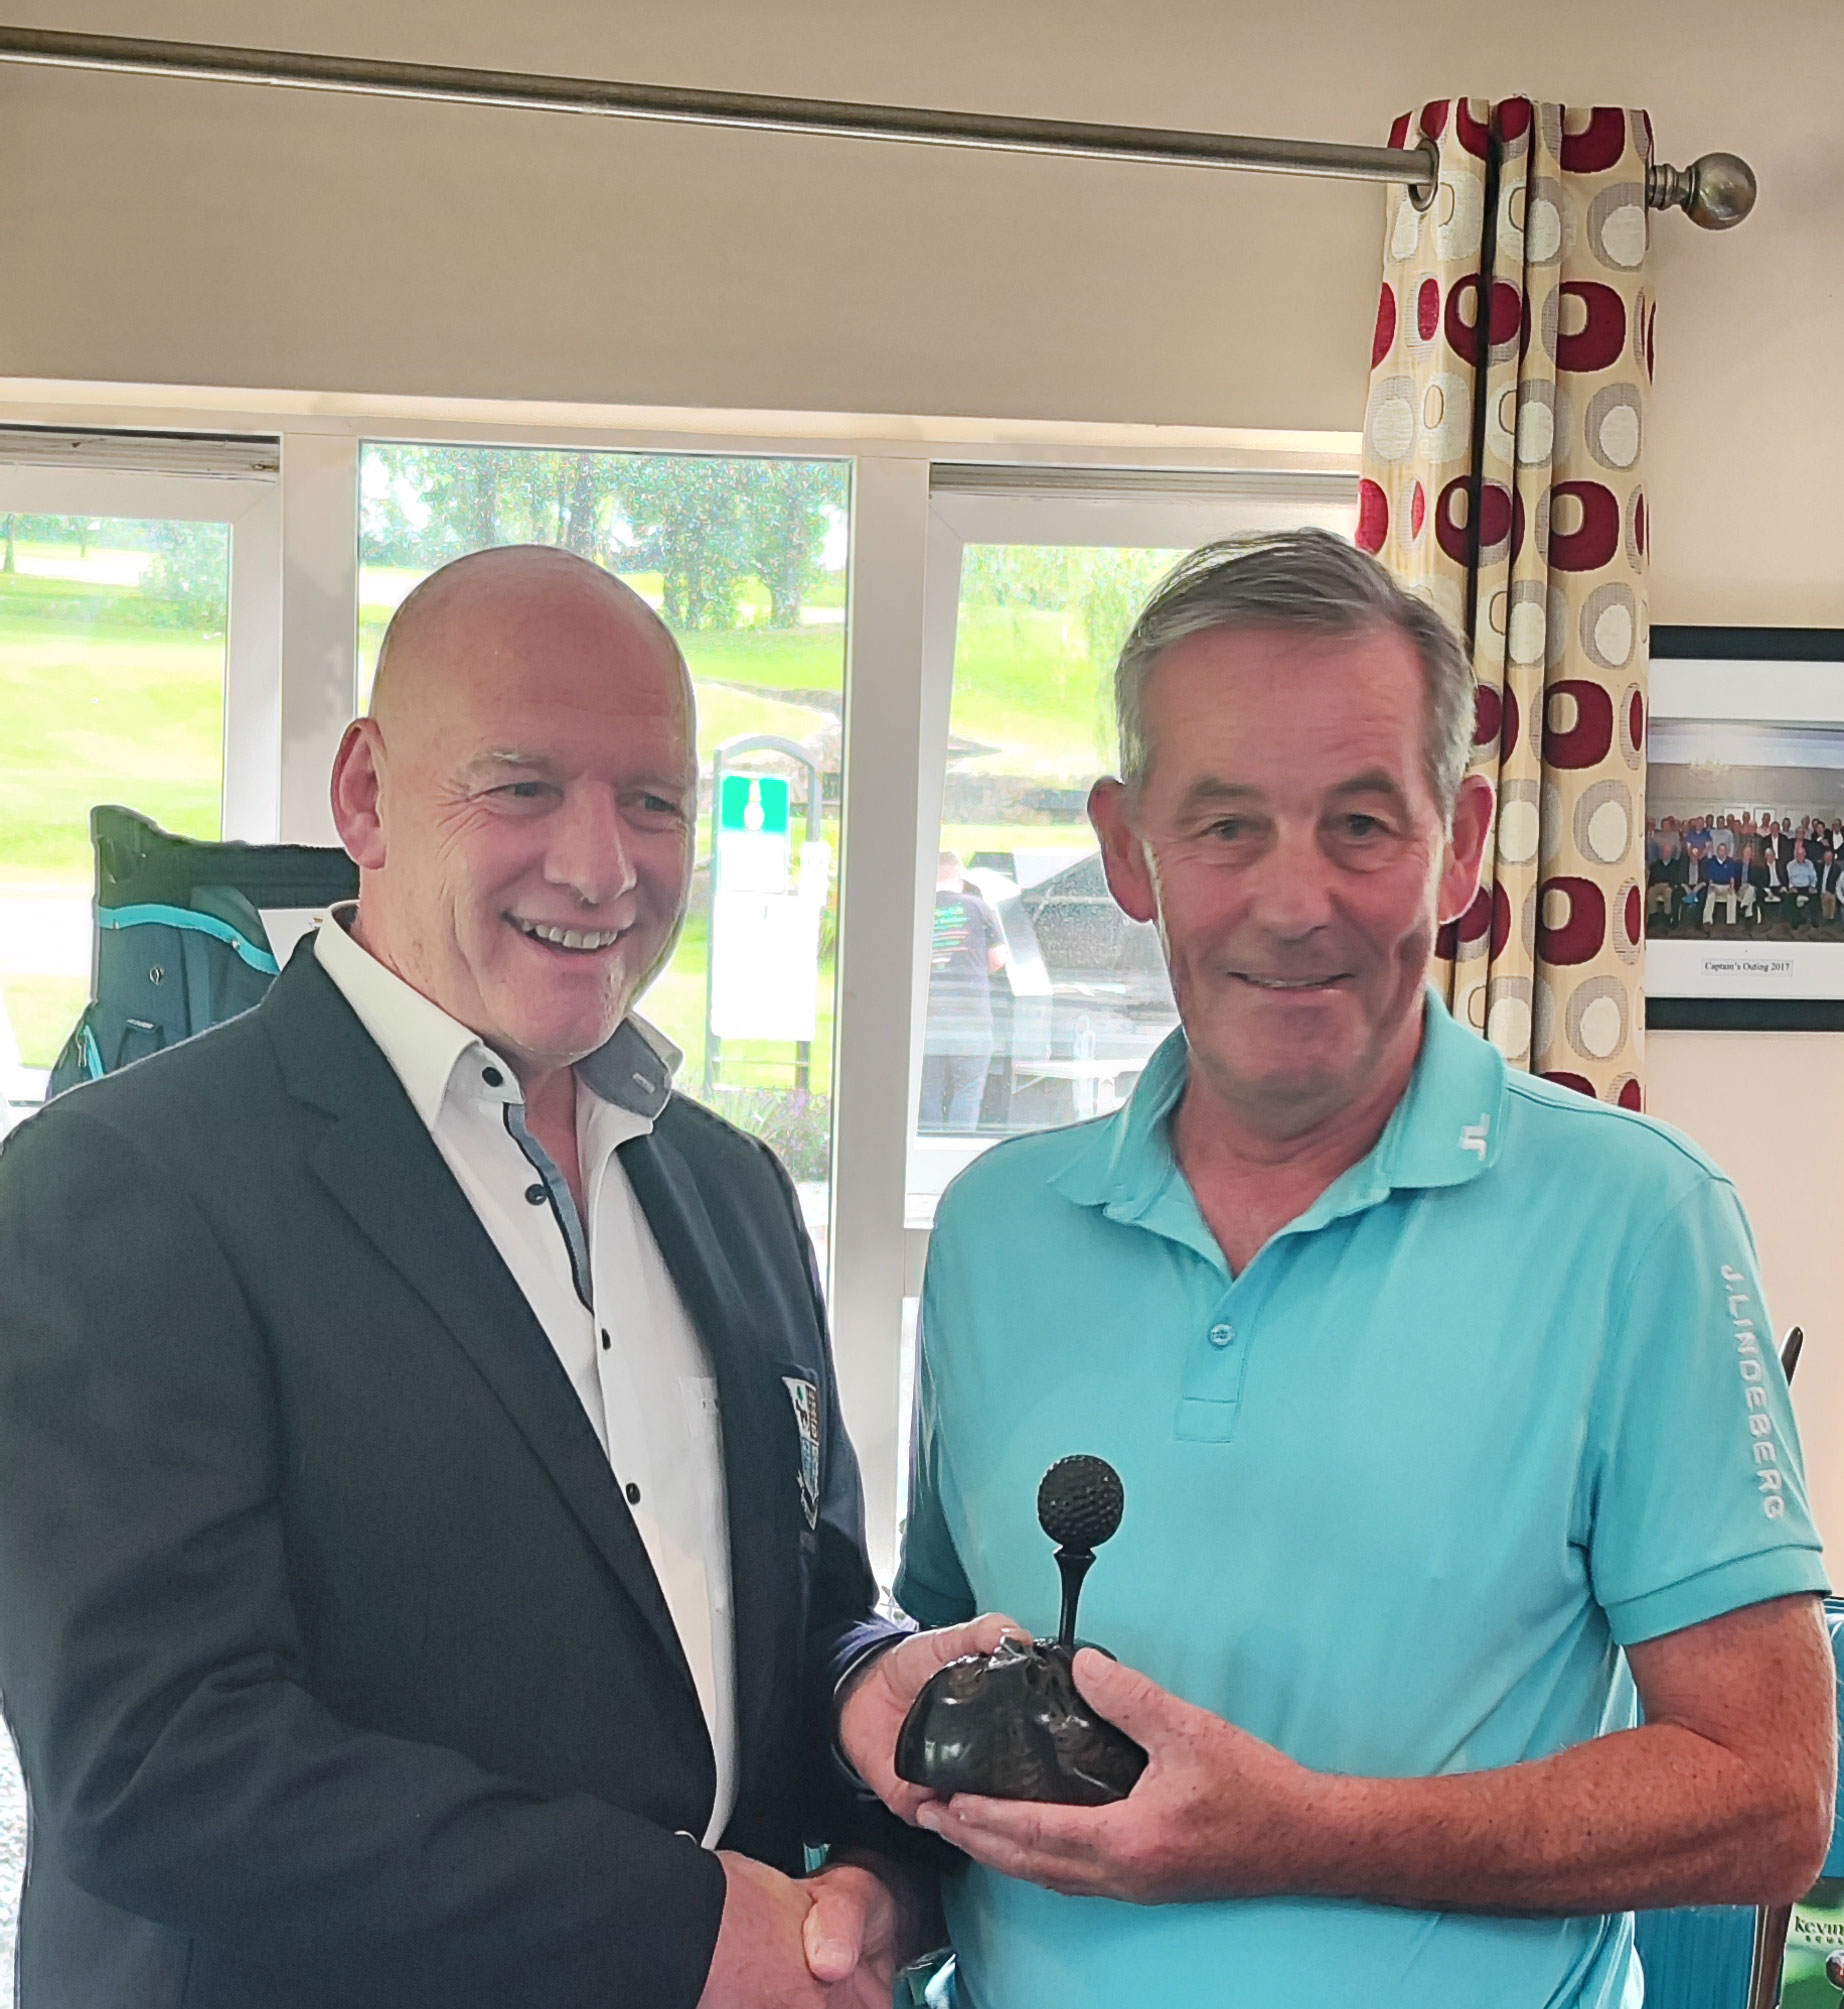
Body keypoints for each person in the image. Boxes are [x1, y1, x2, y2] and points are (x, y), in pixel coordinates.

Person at [838, 531, 1834, 2009]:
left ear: (1465, 839)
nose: (1295, 901)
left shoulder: (1641, 1220)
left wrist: (1302, 1834)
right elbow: (943, 1655)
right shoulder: (996, 1228)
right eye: (1227, 824)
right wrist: (878, 1878)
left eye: (1362, 824)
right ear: (1129, 848)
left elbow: (1770, 1797)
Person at [0, 546, 973, 2009]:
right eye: (523, 786)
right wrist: (688, 1929)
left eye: (653, 799)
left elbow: (807, 1609)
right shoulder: (120, 1180)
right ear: (367, 797)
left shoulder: (733, 1189)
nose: (603, 865)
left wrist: (884, 1846)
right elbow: (161, 1761)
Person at [919, 851, 1009, 1133]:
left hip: (928, 1014)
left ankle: (929, 1145)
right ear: (959, 875)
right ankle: (956, 1150)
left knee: (928, 1091)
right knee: (968, 1090)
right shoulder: (979, 907)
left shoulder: (918, 908)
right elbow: (997, 959)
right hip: (971, 1015)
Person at [1702, 842, 1743, 927]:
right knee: (1710, 895)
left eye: (1724, 850)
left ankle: (1731, 922)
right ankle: (1707, 920)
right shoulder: (1711, 862)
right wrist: (1711, 885)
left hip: (1726, 886)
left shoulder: (1730, 862)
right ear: (1717, 851)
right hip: (1714, 885)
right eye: (1720, 850)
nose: (1722, 852)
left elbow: (1732, 878)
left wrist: (1732, 887)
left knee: (1732, 895)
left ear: (1726, 852)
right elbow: (1710, 878)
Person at [1787, 839, 1819, 928]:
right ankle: (1796, 921)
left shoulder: (1809, 864)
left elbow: (1814, 877)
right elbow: (1789, 878)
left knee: (1815, 897)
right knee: (1789, 899)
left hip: (1807, 887)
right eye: (1798, 855)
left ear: (1805, 854)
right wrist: (1791, 887)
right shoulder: (1790, 865)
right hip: (1795, 888)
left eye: (1802, 854)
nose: (1800, 856)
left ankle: (1813, 920)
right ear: (1796, 855)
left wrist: (1812, 886)